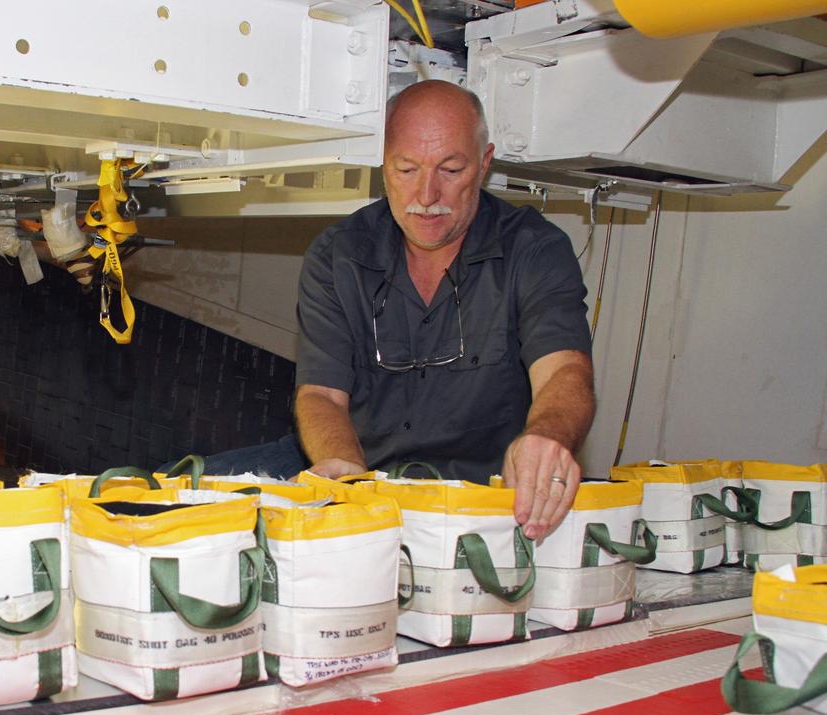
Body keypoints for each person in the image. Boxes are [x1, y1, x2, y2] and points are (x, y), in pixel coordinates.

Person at [201, 80, 594, 542]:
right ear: (383, 163)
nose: (426, 194)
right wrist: (349, 483)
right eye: (406, 169)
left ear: (485, 163)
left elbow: (565, 371)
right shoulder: (337, 256)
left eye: (451, 169)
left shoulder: (534, 249)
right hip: (363, 469)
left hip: (475, 494)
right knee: (168, 496)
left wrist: (548, 436)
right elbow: (322, 396)